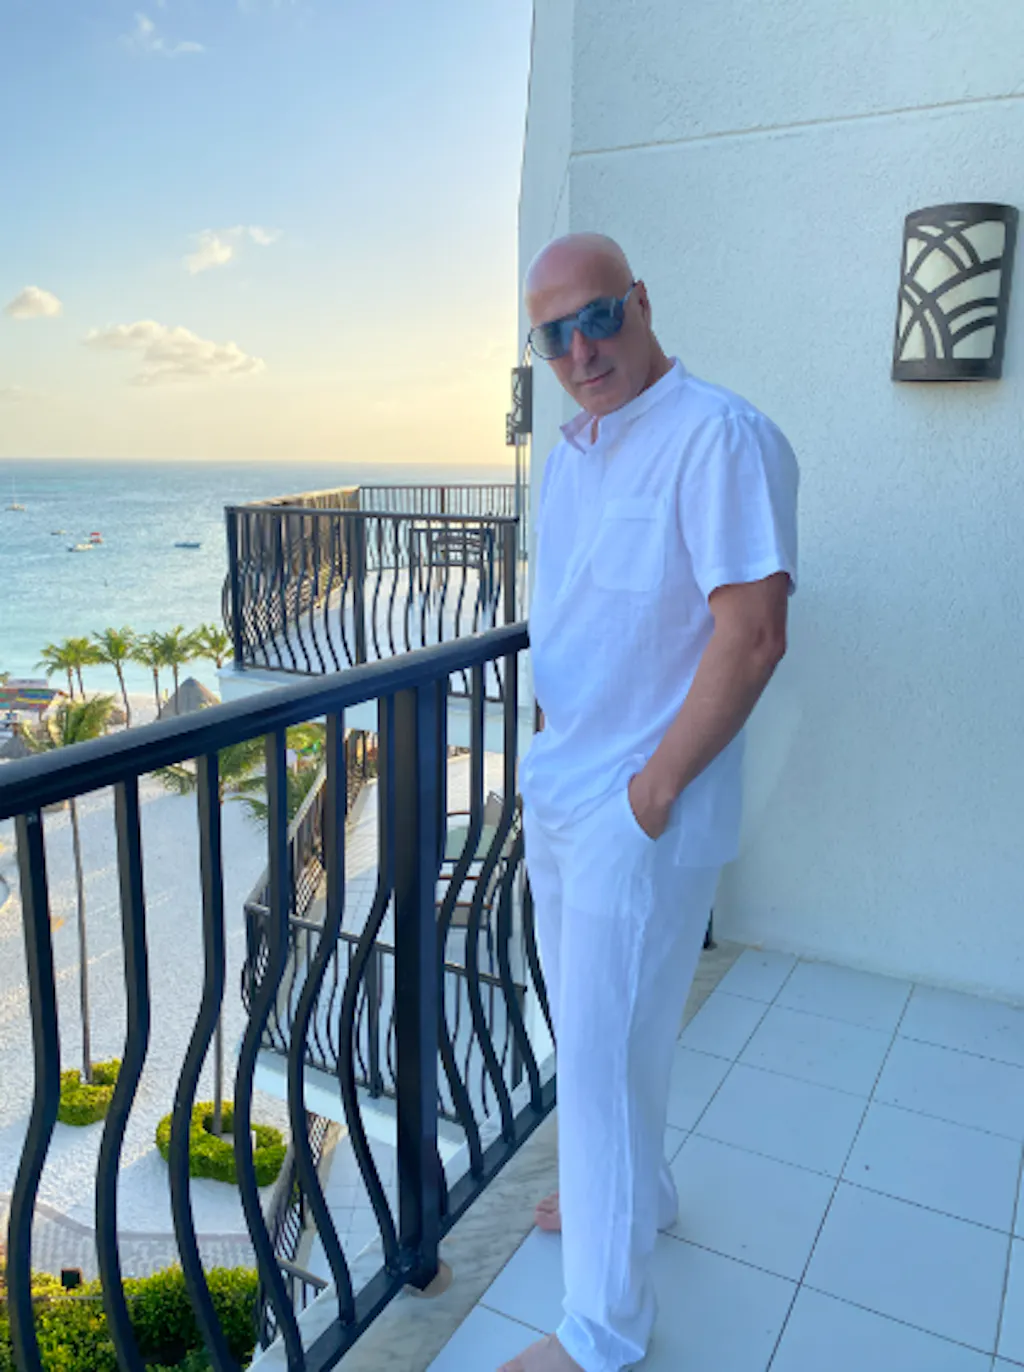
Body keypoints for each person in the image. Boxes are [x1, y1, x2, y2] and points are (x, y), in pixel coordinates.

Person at [501, 233, 799, 1372]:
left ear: (641, 301)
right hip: (566, 791)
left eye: (598, 317)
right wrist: (554, 749)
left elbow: (753, 634)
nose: (580, 350)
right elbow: (581, 619)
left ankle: (602, 1332)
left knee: (598, 1054)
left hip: (637, 815)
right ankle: (636, 1193)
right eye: (554, 334)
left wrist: (647, 799)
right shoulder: (574, 453)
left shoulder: (715, 436)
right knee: (606, 1039)